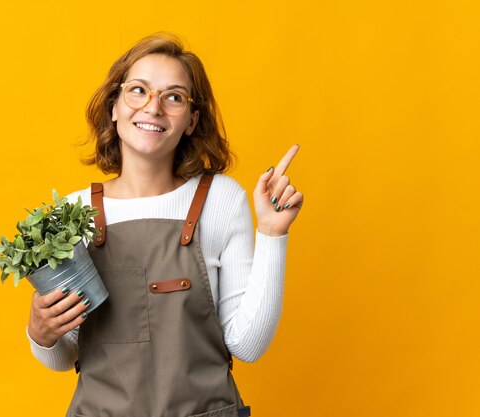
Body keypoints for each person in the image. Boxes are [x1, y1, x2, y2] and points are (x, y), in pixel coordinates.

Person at [26, 33, 303, 417]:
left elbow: (248, 345)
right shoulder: (72, 213)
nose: (153, 107)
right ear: (114, 107)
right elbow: (64, 355)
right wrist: (41, 334)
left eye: (174, 96)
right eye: (138, 90)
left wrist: (273, 233)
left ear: (191, 120)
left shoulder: (222, 199)